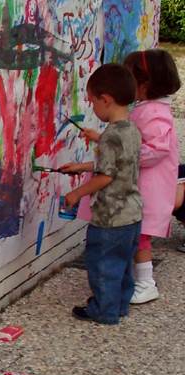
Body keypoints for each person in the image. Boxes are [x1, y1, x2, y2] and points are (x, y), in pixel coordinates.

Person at [60, 63, 143, 324]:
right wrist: (84, 162)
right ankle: (119, 305)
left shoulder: (110, 138)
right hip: (132, 215)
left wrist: (77, 193)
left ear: (105, 100)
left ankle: (103, 311)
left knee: (102, 265)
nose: (93, 107)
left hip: (110, 219)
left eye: (93, 102)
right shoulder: (131, 130)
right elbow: (119, 164)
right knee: (123, 265)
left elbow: (106, 176)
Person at [122, 49, 182, 303]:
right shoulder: (148, 108)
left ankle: (146, 283)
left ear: (144, 84)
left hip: (149, 187)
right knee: (138, 235)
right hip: (146, 185)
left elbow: (157, 149)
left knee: (140, 236)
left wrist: (126, 155)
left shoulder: (153, 112)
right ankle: (140, 280)